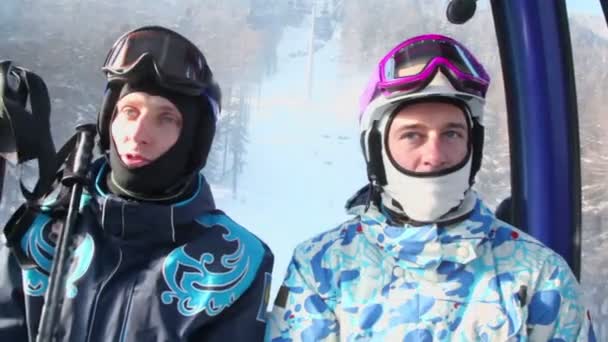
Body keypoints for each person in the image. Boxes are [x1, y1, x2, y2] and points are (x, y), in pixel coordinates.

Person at [265, 34, 595, 341]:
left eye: (451, 134)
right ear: (377, 149)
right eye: (413, 135)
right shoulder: (322, 268)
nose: (434, 156)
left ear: (473, 146)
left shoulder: (539, 276)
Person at [0, 26, 273, 341]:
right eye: (130, 111)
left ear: (194, 140)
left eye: (166, 118)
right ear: (108, 120)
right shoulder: (40, 229)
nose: (138, 133)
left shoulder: (237, 263)